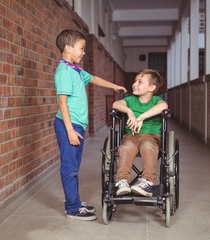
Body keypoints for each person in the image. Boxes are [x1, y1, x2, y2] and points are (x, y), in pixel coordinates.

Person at [54, 29, 127, 221]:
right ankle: (72, 208)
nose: (84, 52)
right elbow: (62, 103)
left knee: (74, 166)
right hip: (68, 125)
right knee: (69, 167)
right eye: (81, 48)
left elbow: (93, 78)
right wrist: (70, 130)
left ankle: (75, 201)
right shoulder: (63, 71)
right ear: (68, 49)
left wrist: (114, 86)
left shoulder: (75, 70)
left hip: (76, 125)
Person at [113, 69, 168, 197]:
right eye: (135, 81)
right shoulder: (131, 100)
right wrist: (129, 112)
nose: (135, 84)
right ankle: (122, 181)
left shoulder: (155, 100)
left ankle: (147, 181)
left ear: (151, 87)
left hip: (151, 137)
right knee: (126, 147)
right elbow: (116, 104)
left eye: (140, 82)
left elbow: (164, 106)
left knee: (148, 146)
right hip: (131, 136)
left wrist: (141, 117)